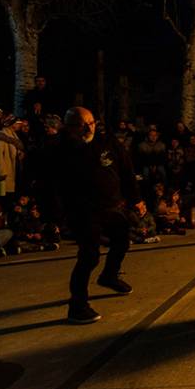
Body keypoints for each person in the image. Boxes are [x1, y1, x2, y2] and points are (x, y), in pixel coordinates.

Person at [54, 107, 140, 324]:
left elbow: (126, 170)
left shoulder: (107, 143)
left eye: (91, 123)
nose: (88, 128)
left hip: (111, 206)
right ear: (70, 126)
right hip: (83, 210)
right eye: (82, 124)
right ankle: (78, 305)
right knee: (89, 255)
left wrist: (136, 198)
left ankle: (109, 275)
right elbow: (51, 184)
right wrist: (55, 215)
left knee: (122, 242)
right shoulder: (60, 149)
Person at [0, 115, 27, 202]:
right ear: (10, 124)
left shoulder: (13, 136)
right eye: (18, 123)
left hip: (13, 174)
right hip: (3, 178)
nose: (20, 125)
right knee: (3, 199)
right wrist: (2, 174)